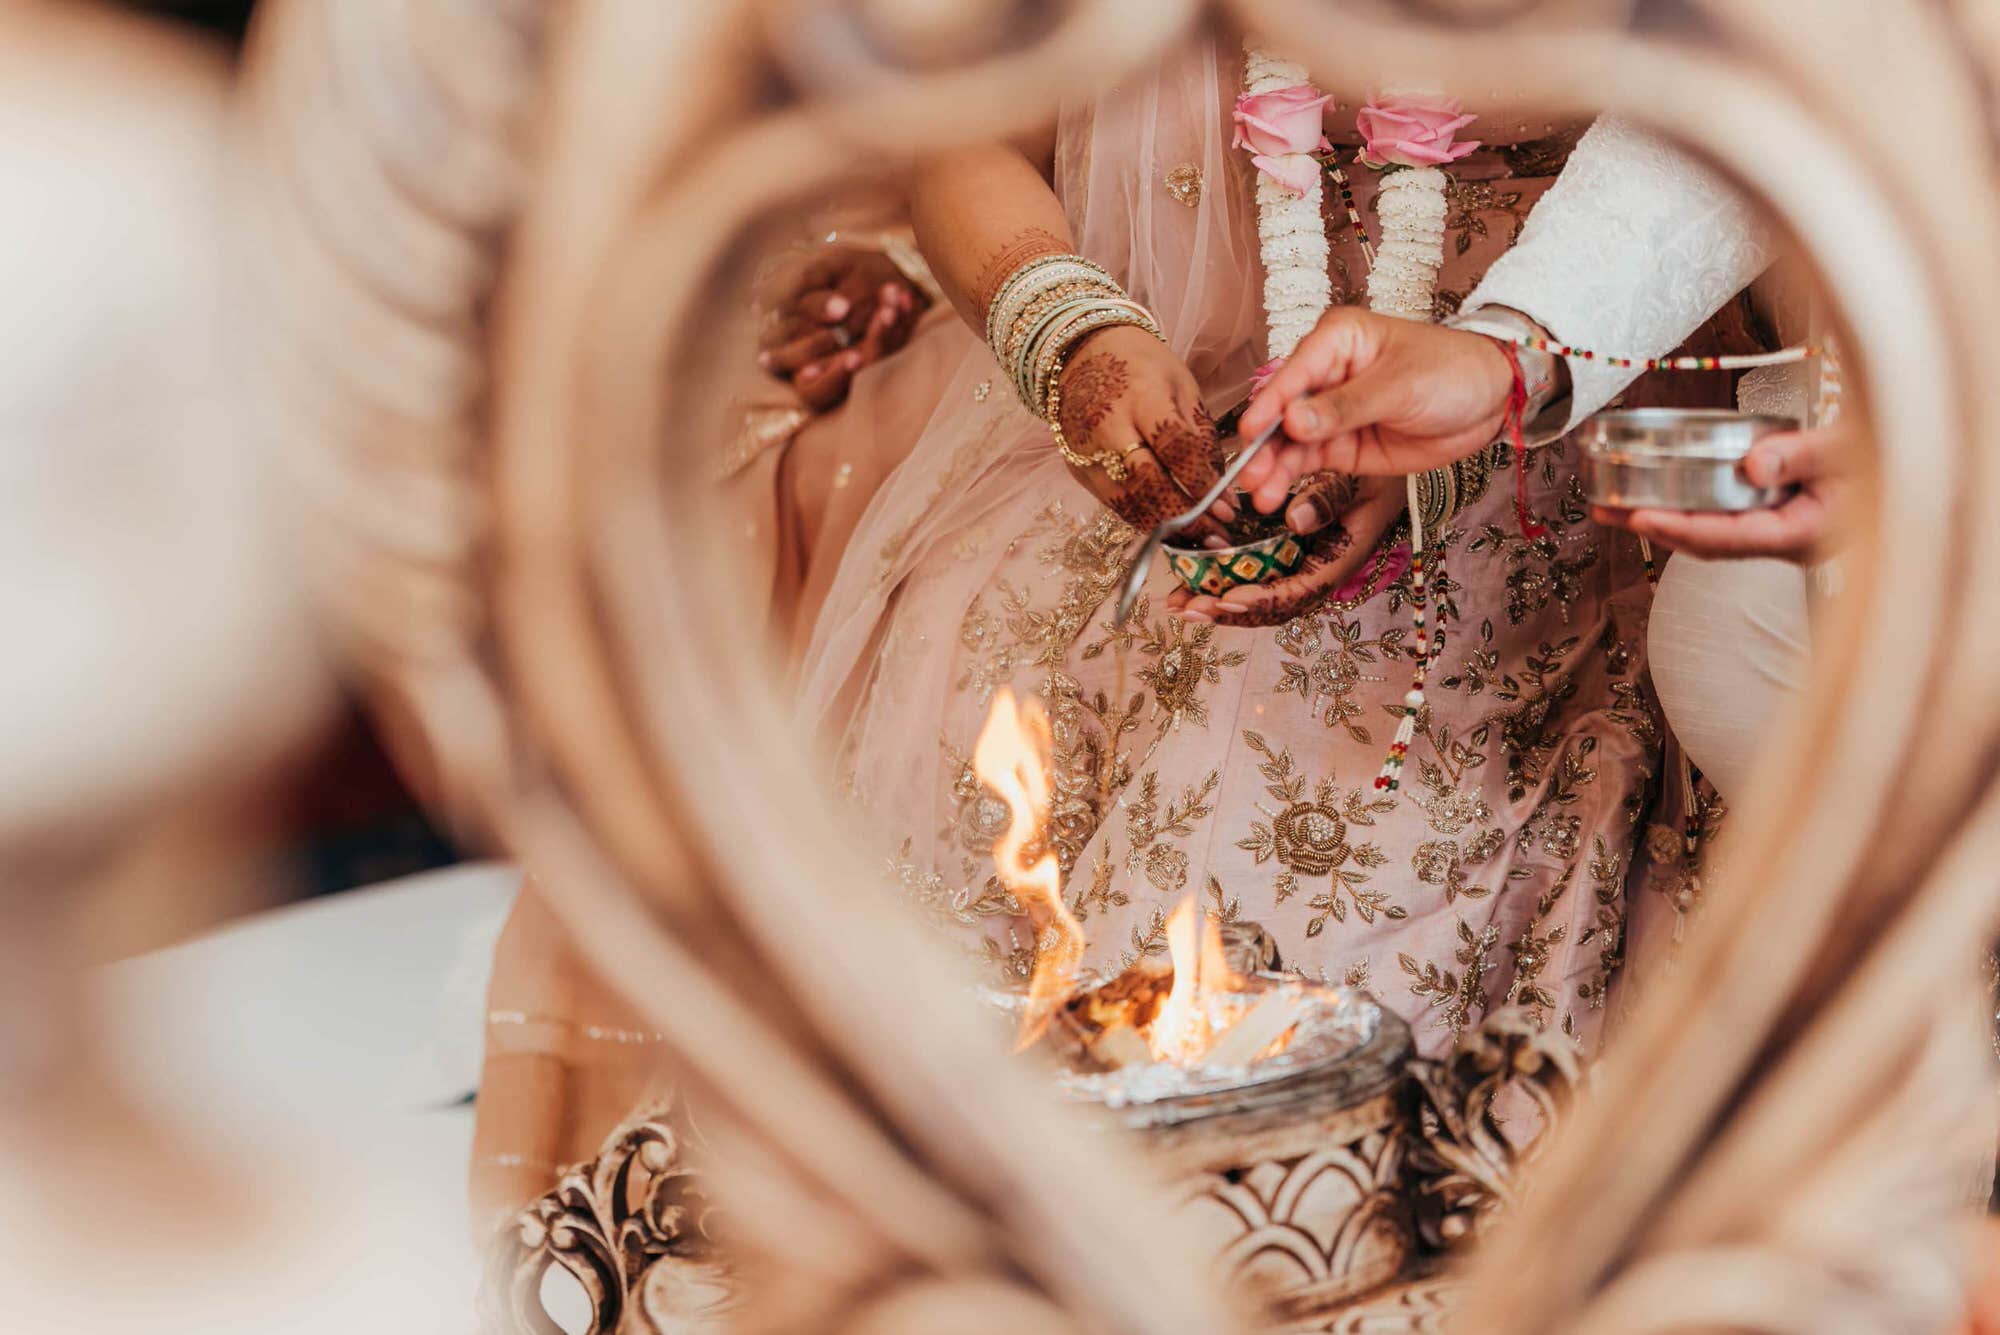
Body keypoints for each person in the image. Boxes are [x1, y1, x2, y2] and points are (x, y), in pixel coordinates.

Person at [797, 40, 1777, 1055]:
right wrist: (1068, 339)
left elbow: (1758, 113)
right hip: (1182, 391)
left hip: (1573, 401)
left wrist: (1475, 400)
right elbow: (971, 134)